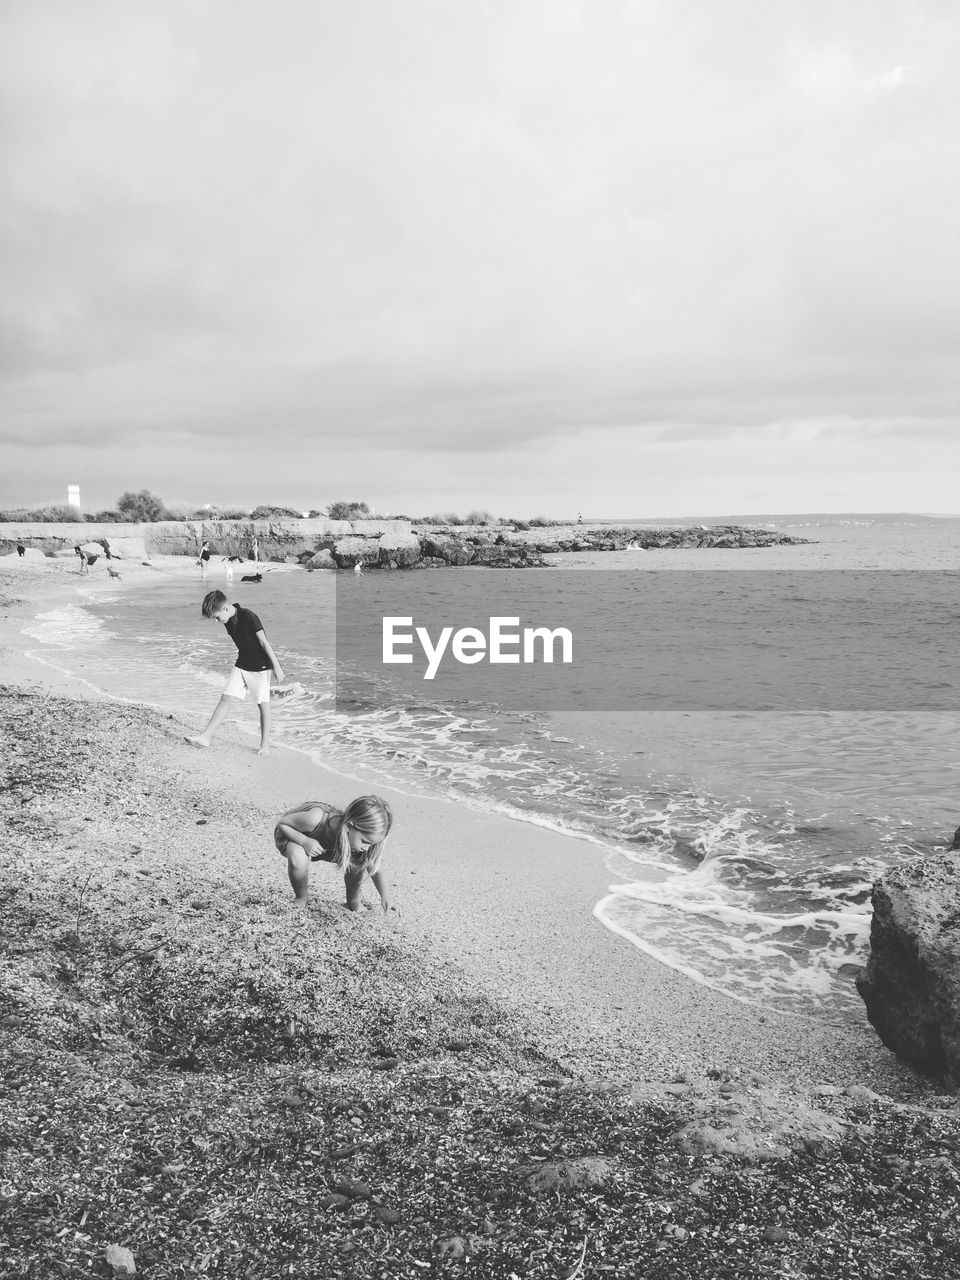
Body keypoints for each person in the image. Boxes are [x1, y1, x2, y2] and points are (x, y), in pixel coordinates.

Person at [186, 589, 285, 755]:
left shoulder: (248, 616)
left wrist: (277, 667)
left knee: (263, 705)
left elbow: (264, 642)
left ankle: (265, 746)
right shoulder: (228, 620)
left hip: (260, 667)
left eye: (217, 617)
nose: (218, 621)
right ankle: (205, 737)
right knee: (225, 697)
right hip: (242, 664)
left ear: (225, 608)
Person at [273, 796, 394, 911]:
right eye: (365, 842)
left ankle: (353, 901)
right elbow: (282, 824)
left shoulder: (359, 843)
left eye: (371, 844)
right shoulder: (314, 819)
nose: (367, 848)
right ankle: (301, 897)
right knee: (298, 857)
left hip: (327, 845)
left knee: (358, 862)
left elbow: (375, 869)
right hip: (294, 833)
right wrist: (304, 841)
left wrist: (386, 896)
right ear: (348, 827)